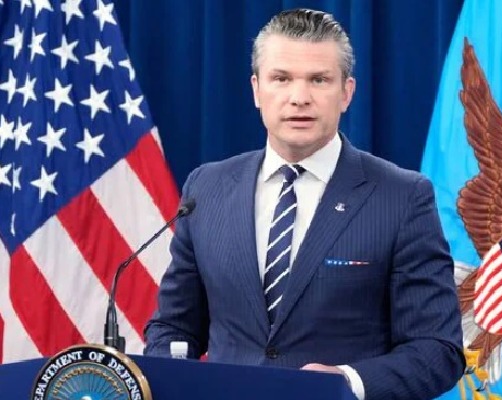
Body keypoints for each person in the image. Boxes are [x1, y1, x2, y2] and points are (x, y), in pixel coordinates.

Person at [144, 8, 465, 400]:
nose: (299, 98)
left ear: (346, 92)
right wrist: (174, 376)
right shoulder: (206, 188)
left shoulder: (402, 197)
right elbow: (174, 327)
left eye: (319, 80)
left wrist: (346, 382)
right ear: (256, 89)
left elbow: (437, 350)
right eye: (281, 78)